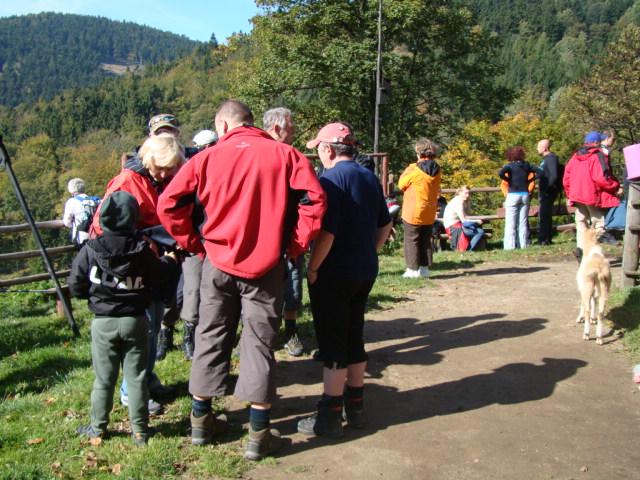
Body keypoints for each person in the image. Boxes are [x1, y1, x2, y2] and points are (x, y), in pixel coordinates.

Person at [157, 100, 326, 459]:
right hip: (266, 267)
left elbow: (168, 204)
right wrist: (295, 245)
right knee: (260, 342)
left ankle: (201, 422)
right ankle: (258, 434)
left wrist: (194, 243)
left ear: (222, 125)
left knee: (210, 333)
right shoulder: (286, 155)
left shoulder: (205, 158)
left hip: (217, 262)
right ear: (252, 122)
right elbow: (316, 199)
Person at [296, 122, 391, 438]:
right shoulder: (368, 176)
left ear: (328, 149)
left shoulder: (330, 180)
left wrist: (312, 268)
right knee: (354, 334)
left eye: (318, 149)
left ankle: (330, 414)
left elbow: (327, 233)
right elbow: (385, 224)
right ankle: (357, 406)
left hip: (334, 271)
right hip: (364, 269)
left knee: (333, 341)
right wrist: (370, 252)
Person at [68, 191, 179, 446]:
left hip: (103, 321)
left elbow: (75, 283)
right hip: (135, 320)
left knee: (104, 379)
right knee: (137, 377)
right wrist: (170, 261)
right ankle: (140, 432)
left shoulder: (91, 249)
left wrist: (95, 297)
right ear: (134, 218)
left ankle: (97, 428)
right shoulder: (141, 250)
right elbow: (159, 275)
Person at [90, 133, 185, 413]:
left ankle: (148, 379)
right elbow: (103, 229)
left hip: (151, 263)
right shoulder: (126, 183)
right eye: (162, 167)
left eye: (171, 168)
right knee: (143, 332)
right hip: (133, 269)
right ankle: (131, 392)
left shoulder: (153, 180)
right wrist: (144, 243)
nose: (166, 173)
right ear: (147, 160)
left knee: (152, 328)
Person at [263, 107, 304, 357]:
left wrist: (299, 238)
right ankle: (261, 337)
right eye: (291, 126)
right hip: (262, 237)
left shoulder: (293, 156)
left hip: (289, 236)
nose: (295, 131)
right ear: (277, 128)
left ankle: (290, 332)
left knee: (293, 289)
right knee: (260, 292)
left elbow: (308, 198)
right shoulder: (259, 155)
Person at [563, 131, 621, 258]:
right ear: (596, 142)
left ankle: (581, 250)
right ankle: (597, 242)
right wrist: (614, 186)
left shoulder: (574, 157)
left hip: (577, 195)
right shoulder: (596, 155)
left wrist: (569, 194)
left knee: (581, 223)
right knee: (598, 221)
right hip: (591, 194)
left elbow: (566, 178)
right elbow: (600, 177)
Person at [398, 138, 441, 278]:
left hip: (413, 210)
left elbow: (401, 184)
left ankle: (412, 270)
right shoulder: (437, 169)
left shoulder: (413, 169)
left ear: (418, 153)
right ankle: (424, 269)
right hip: (429, 210)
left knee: (411, 239)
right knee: (425, 240)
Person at [499, 146, 537, 250]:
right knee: (523, 223)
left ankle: (509, 247)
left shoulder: (509, 167)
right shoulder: (527, 166)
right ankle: (524, 245)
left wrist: (508, 185)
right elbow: (538, 174)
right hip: (525, 195)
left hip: (513, 195)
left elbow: (502, 177)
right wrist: (528, 184)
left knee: (510, 223)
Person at [442, 185, 485, 251]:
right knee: (480, 231)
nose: (467, 195)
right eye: (466, 193)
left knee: (478, 229)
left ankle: (470, 248)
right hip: (453, 227)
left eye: (469, 193)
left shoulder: (462, 201)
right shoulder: (458, 202)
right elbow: (464, 220)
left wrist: (468, 204)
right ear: (460, 193)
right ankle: (470, 249)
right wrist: (477, 221)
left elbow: (468, 214)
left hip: (458, 225)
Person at [536, 139, 561, 245]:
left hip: (548, 192)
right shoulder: (546, 159)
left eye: (539, 146)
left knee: (545, 215)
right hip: (546, 191)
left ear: (545, 148)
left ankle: (545, 239)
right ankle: (545, 238)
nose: (537, 148)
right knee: (544, 214)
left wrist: (547, 189)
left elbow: (554, 175)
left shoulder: (551, 158)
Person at [62, 178, 100, 247]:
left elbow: (67, 222)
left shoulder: (72, 202)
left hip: (83, 238)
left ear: (71, 190)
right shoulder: (95, 200)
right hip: (98, 237)